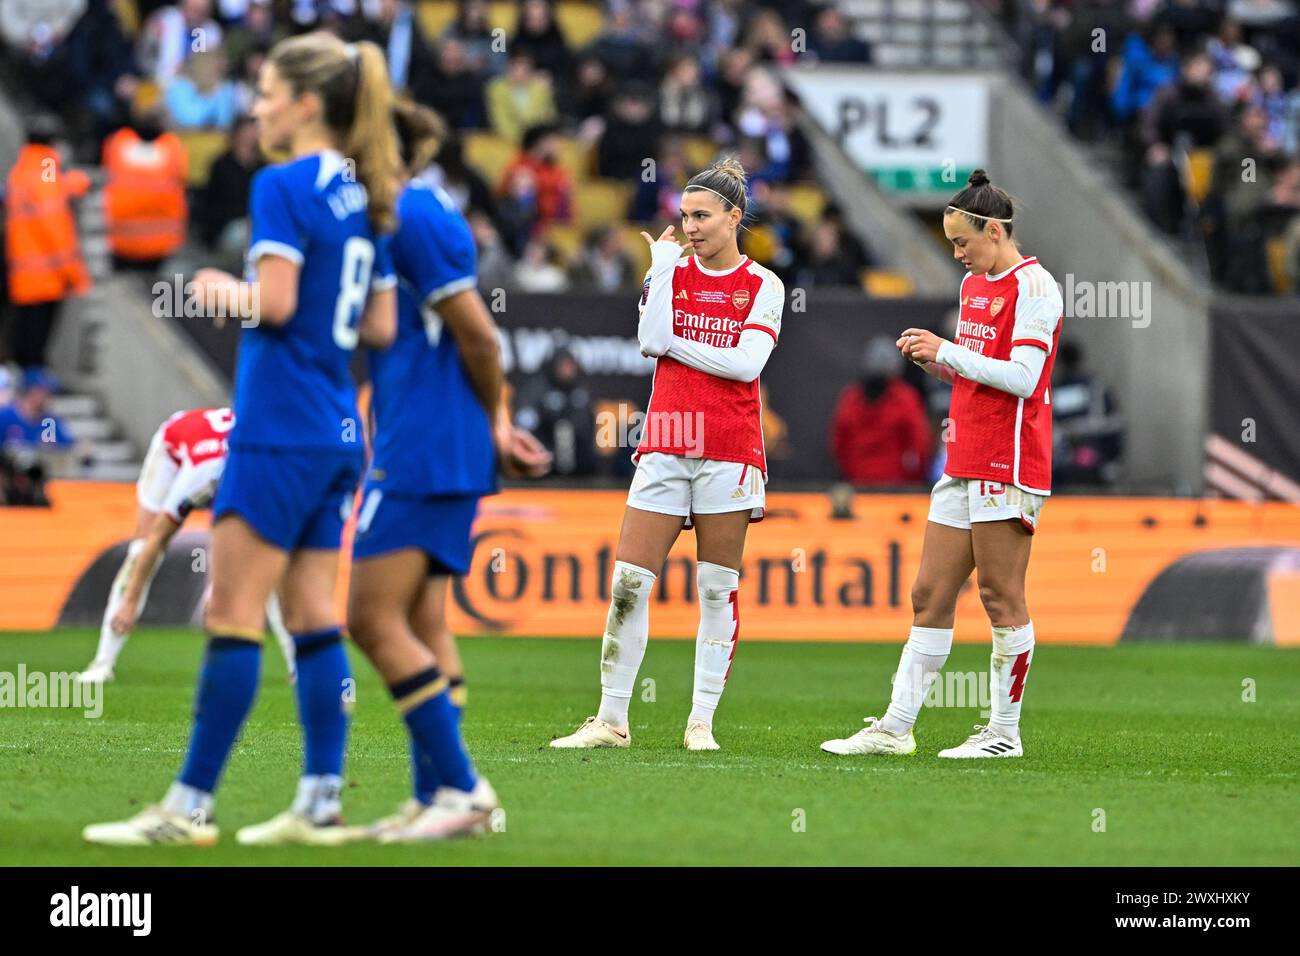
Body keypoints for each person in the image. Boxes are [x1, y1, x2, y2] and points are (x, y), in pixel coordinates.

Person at [84, 32, 402, 847]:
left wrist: (226, 289)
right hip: (338, 430)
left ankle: (188, 807)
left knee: (230, 615)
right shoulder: (370, 194)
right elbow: (381, 321)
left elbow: (280, 303)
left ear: (304, 104)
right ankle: (321, 800)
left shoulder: (281, 184)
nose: (253, 107)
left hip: (278, 427)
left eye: (264, 93)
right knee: (311, 619)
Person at [347, 101, 552, 842]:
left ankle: (463, 787)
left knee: (369, 617)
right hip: (425, 437)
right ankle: (434, 795)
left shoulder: (415, 215)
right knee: (423, 620)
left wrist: (495, 421)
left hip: (426, 447)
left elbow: (481, 338)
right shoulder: (409, 209)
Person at [821, 169, 1062, 760]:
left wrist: (949, 350)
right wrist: (940, 366)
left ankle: (1004, 733)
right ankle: (896, 727)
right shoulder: (974, 286)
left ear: (996, 231)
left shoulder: (1036, 288)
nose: (956, 254)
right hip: (963, 456)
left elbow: (1026, 379)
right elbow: (982, 373)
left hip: (1008, 459)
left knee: (1000, 595)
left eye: (963, 242)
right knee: (929, 593)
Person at [550, 157, 786, 752]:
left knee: (715, 586)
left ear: (736, 217)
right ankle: (611, 720)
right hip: (666, 440)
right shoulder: (670, 270)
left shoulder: (764, 285)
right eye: (685, 216)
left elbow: (745, 365)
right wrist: (658, 270)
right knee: (630, 580)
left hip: (730, 449)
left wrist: (677, 346)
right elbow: (650, 342)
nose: (692, 227)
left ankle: (700, 721)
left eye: (703, 216)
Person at [75, 407, 295, 685]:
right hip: (175, 446)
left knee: (271, 564)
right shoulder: (198, 481)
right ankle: (103, 661)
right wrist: (130, 601)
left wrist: (217, 587)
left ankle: (297, 666)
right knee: (140, 548)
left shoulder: (265, 478)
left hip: (226, 454)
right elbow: (158, 540)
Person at [4, 116, 91, 370]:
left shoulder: (23, 167)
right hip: (47, 273)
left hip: (25, 272)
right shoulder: (46, 166)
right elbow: (54, 222)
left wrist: (72, 184)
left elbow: (48, 193)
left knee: (26, 335)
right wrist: (73, 273)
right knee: (36, 340)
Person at [830, 337, 932, 486]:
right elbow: (920, 445)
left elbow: (839, 445)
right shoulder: (905, 398)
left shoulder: (850, 398)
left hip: (862, 483)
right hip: (894, 487)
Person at [102, 101, 189, 273]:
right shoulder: (173, 148)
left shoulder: (118, 143)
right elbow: (182, 178)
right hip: (160, 242)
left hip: (124, 240)